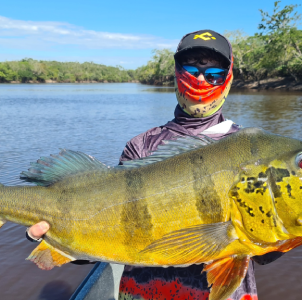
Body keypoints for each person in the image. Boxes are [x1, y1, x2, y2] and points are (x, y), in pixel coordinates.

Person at [26, 29, 284, 300]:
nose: (200, 79)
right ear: (176, 72)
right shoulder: (142, 146)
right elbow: (111, 228)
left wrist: (297, 230)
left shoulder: (252, 150)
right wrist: (54, 233)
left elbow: (262, 255)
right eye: (191, 68)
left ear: (228, 78)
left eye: (214, 73)